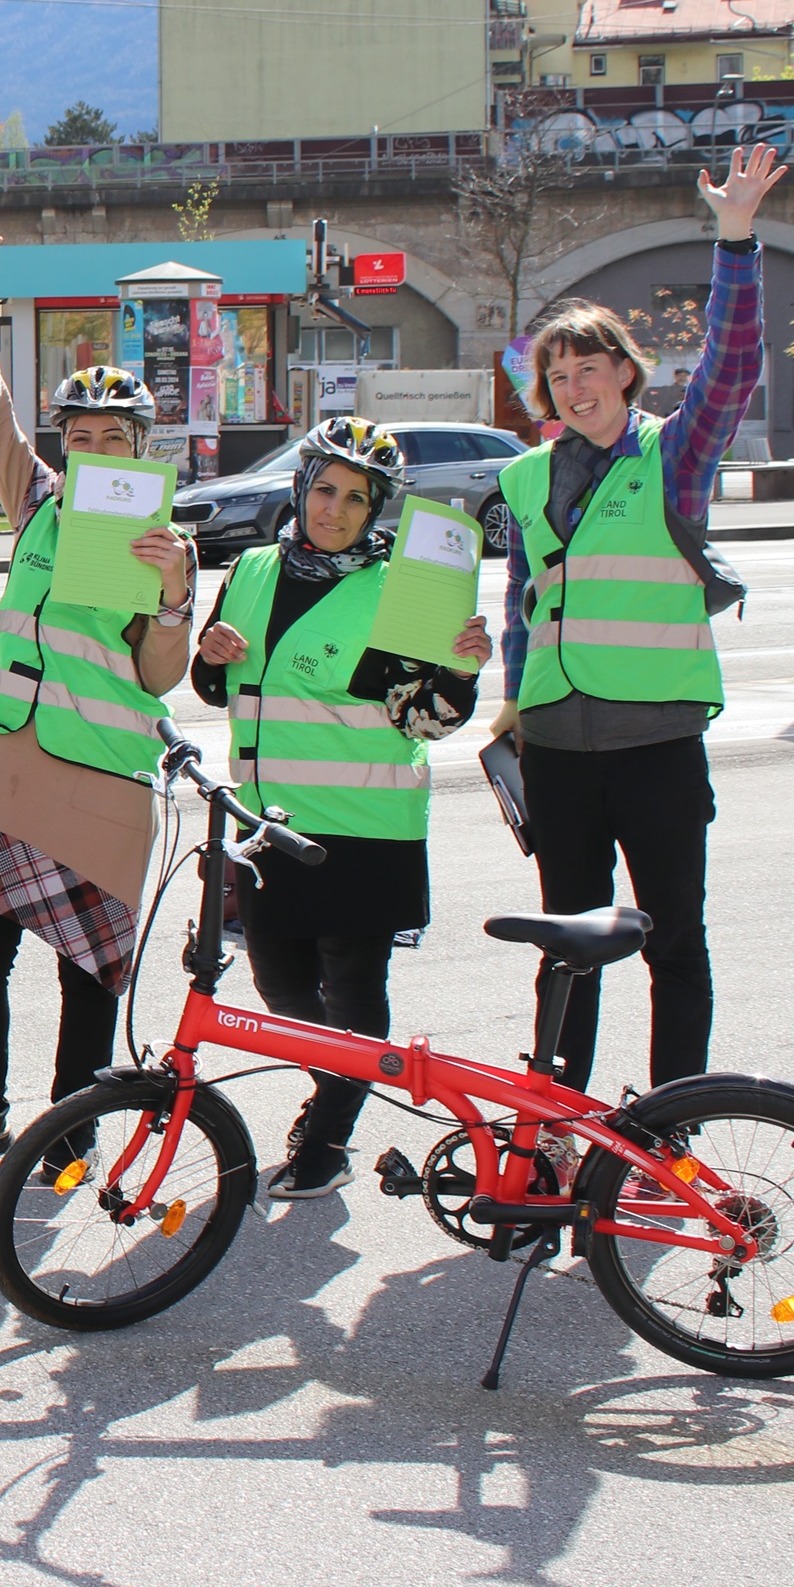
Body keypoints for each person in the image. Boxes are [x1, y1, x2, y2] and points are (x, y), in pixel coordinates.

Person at [493, 143, 785, 1092]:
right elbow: (522, 603)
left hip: (656, 742)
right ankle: (555, 1127)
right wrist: (509, 702)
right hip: (560, 750)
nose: (574, 388)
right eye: (557, 374)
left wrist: (734, 239)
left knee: (672, 942)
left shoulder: (676, 456)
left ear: (625, 372)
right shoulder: (527, 476)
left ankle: (672, 1126)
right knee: (568, 944)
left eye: (589, 368)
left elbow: (733, 367)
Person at [0, 197, 199, 1172]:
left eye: (112, 436)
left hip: (106, 772)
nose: (91, 449)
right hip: (9, 757)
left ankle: (69, 1127)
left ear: (141, 448)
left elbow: (165, 674)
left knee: (88, 970)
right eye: (79, 433)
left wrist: (171, 595)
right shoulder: (37, 499)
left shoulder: (166, 543)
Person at [193, 418, 490, 1199]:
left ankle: (328, 1137)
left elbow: (431, 718)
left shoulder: (405, 586)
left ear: (377, 509)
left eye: (356, 499)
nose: (334, 509)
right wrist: (209, 655)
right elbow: (220, 688)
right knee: (280, 988)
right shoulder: (253, 568)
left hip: (364, 827)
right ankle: (335, 1089)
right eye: (324, 489)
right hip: (268, 826)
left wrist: (460, 671)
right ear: (301, 489)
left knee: (353, 986)